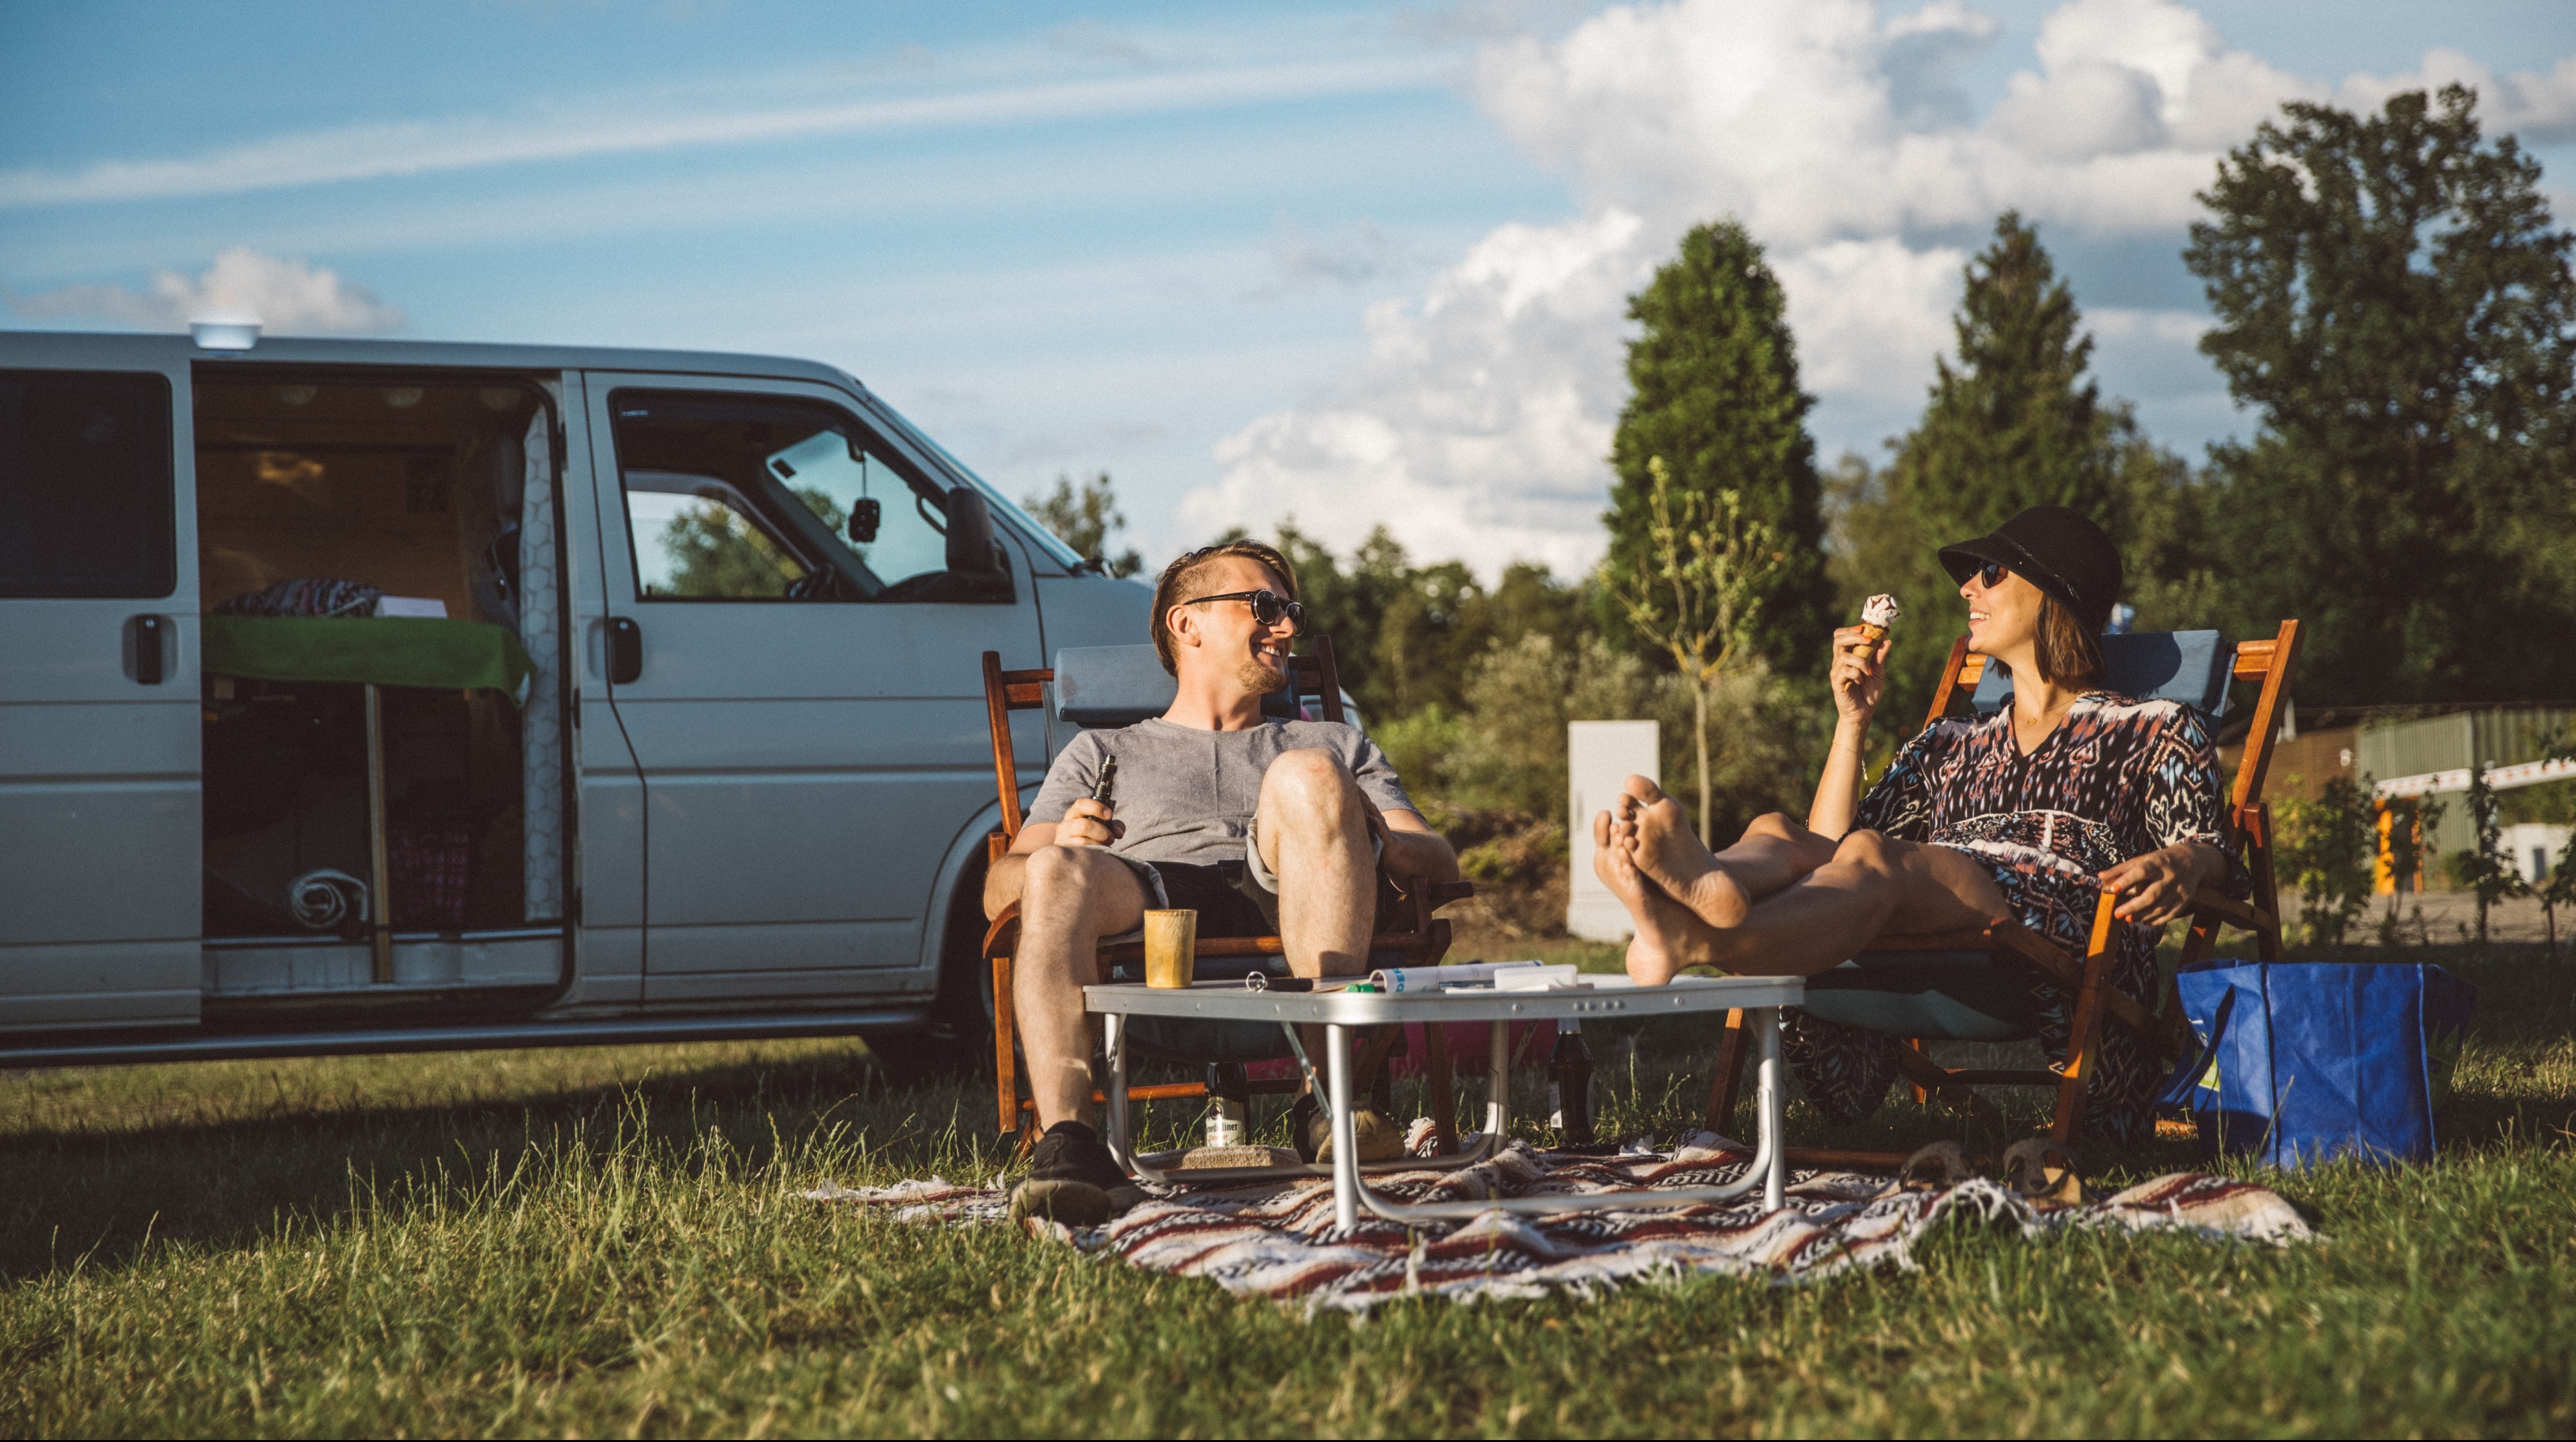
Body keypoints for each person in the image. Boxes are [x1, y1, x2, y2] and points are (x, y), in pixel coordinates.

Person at [1592, 505, 2246, 1142]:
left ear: (2055, 592)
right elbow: (1829, 851)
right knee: (1780, 831)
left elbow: (2211, 847)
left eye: (1992, 573)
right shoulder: (1950, 739)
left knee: (1877, 856)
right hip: (1929, 901)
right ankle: (1697, 899)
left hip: (2051, 918)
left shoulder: (2154, 727)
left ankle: (1701, 932)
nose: (1967, 588)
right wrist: (1852, 721)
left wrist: (2188, 861)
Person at [988, 540, 1461, 1220]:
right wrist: (1063, 845)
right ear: (1189, 623)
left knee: (1309, 773)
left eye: (1291, 611)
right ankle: (1070, 1145)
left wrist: (1367, 831)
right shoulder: (1101, 750)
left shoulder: (1331, 743)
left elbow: (1438, 859)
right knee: (1053, 870)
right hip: (1152, 915)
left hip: (1297, 893)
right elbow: (1000, 889)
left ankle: (1325, 1101)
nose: (1288, 627)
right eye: (1264, 606)